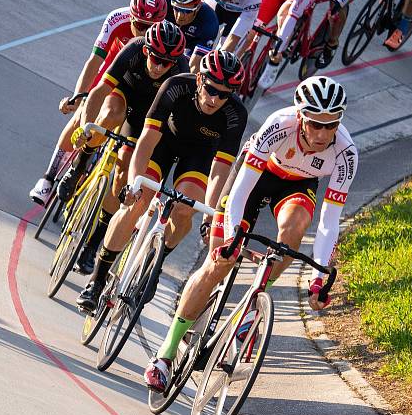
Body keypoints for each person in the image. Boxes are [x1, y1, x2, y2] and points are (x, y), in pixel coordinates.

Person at [144, 76, 357, 393]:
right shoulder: (279, 124)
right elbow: (241, 190)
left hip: (297, 186)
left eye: (331, 125)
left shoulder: (345, 153)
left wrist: (319, 276)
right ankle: (165, 354)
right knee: (218, 264)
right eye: (315, 124)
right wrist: (231, 237)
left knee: (296, 228)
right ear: (300, 116)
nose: (323, 133)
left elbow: (329, 220)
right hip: (255, 177)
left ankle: (255, 300)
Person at [75, 50, 248, 313]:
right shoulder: (176, 86)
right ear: (200, 78)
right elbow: (146, 140)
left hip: (199, 156)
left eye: (224, 94)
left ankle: (157, 260)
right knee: (138, 202)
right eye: (211, 89)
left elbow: (219, 171)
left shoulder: (235, 113)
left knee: (185, 209)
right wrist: (134, 183)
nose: (214, 99)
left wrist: (209, 216)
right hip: (162, 143)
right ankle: (97, 280)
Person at [61, 21, 188, 273]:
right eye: (156, 59)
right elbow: (99, 92)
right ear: (146, 51)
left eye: (167, 63)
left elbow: (169, 125)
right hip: (123, 93)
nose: (160, 66)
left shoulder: (180, 70)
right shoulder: (133, 48)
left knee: (121, 178)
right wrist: (86, 127)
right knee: (108, 117)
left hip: (148, 115)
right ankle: (80, 164)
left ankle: (92, 244)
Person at [29, 0, 167, 204]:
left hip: (140, 83)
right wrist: (78, 97)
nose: (144, 33)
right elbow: (94, 62)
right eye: (139, 25)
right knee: (81, 116)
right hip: (113, 70)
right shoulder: (116, 19)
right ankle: (48, 179)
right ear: (130, 17)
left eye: (150, 27)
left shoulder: (162, 37)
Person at [253, 0, 319, 90]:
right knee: (252, 28)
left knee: (284, 14)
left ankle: (277, 57)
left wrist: (278, 48)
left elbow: (292, 15)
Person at [161, 0, 220, 71]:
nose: (180, 16)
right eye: (176, 8)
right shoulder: (162, 1)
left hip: (190, 45)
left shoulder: (209, 21)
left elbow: (194, 66)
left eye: (186, 11)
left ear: (198, 6)